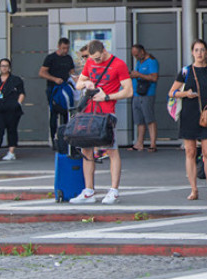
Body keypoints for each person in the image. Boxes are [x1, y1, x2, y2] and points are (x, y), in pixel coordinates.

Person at [69, 40, 132, 204]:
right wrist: (86, 83)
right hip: (88, 111)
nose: (95, 61)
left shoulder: (118, 64)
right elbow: (78, 84)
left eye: (98, 58)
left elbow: (128, 91)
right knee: (86, 150)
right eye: (92, 58)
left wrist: (107, 97)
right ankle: (89, 190)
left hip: (106, 112)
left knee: (111, 150)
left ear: (104, 51)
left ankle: (114, 190)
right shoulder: (90, 62)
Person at [167, 39, 207, 200]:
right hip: (189, 114)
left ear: (206, 52)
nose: (199, 53)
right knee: (190, 151)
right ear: (192, 52)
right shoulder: (185, 71)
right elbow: (172, 92)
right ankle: (193, 189)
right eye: (196, 50)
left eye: (202, 50)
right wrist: (186, 94)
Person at [39, 37, 74, 145]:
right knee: (54, 112)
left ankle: (65, 138)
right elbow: (42, 73)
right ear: (58, 46)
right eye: (63, 48)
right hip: (53, 88)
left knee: (66, 112)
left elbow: (72, 72)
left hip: (65, 88)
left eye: (67, 48)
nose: (65, 50)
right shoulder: (51, 58)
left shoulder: (68, 58)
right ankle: (53, 138)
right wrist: (54, 79)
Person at [0, 58, 25, 161]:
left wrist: (18, 104)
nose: (4, 68)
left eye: (6, 66)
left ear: (9, 67)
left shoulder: (16, 80)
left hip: (11, 108)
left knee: (11, 129)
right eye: (2, 66)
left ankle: (11, 152)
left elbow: (22, 93)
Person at [129, 44, 159, 152]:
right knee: (139, 120)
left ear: (142, 51)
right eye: (134, 55)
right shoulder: (139, 62)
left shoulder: (152, 61)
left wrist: (139, 75)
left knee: (149, 119)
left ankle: (153, 144)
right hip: (137, 93)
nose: (136, 57)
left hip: (147, 94)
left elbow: (154, 77)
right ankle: (139, 143)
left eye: (137, 55)